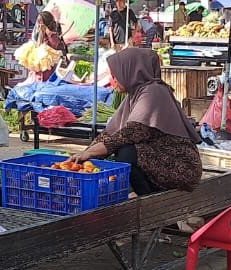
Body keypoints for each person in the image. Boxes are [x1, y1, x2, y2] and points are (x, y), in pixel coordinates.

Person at [68, 48, 202, 196]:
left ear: (130, 71)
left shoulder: (154, 92)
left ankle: (148, 201)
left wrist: (89, 153)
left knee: (127, 153)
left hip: (181, 167)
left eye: (116, 74)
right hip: (158, 162)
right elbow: (109, 134)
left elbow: (130, 133)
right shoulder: (134, 95)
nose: (113, 79)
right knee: (122, 151)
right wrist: (82, 156)